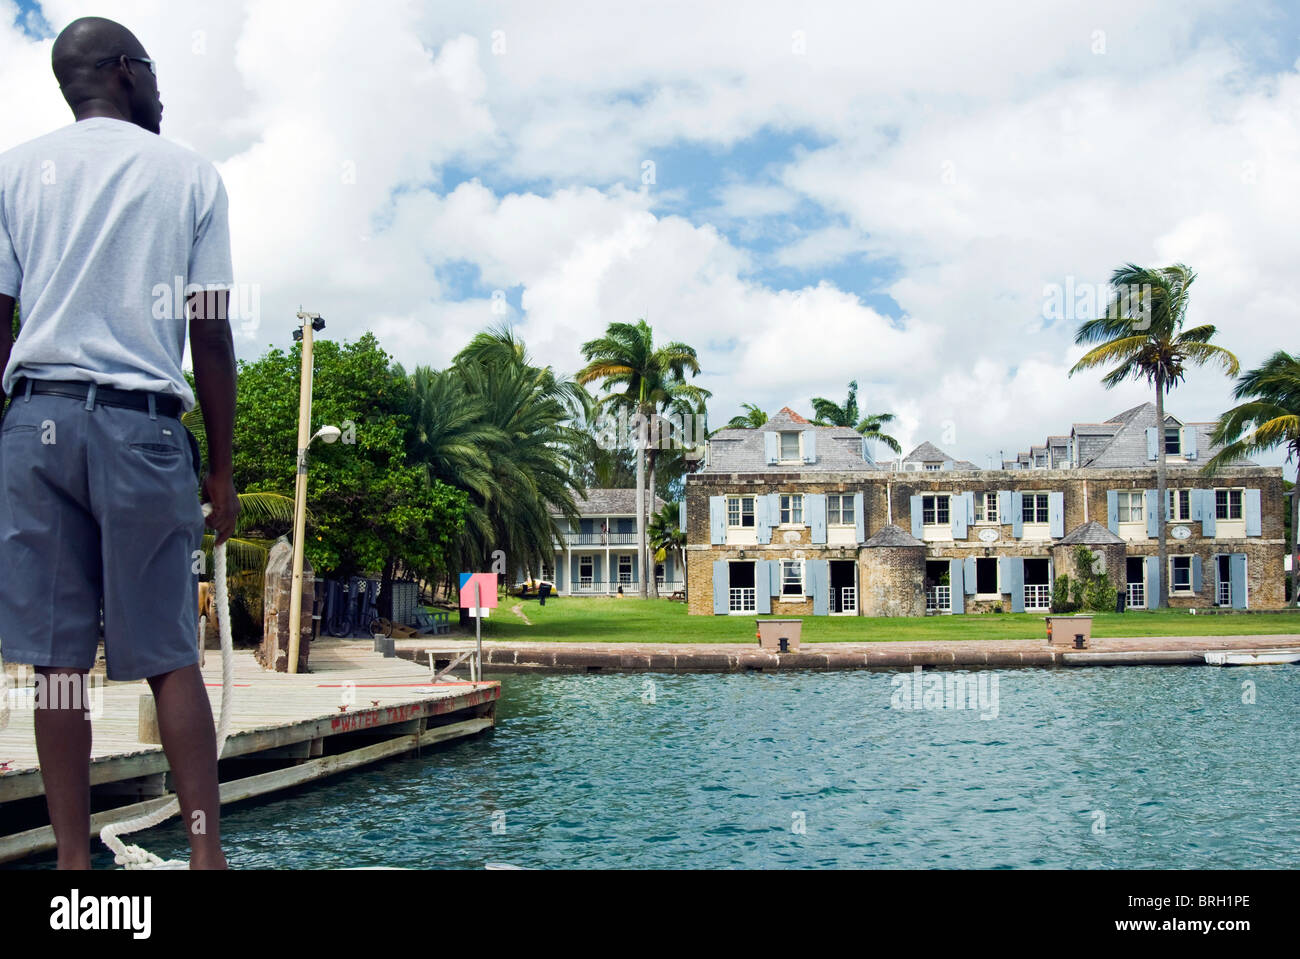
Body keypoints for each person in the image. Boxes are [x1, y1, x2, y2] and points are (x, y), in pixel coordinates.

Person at [0, 17, 238, 869]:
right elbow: (210, 334)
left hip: (35, 422)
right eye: (157, 74)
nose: (163, 92)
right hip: (141, 427)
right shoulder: (189, 176)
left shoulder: (15, 170)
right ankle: (207, 862)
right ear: (126, 72)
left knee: (58, 664)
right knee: (170, 657)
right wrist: (220, 467)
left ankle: (71, 870)